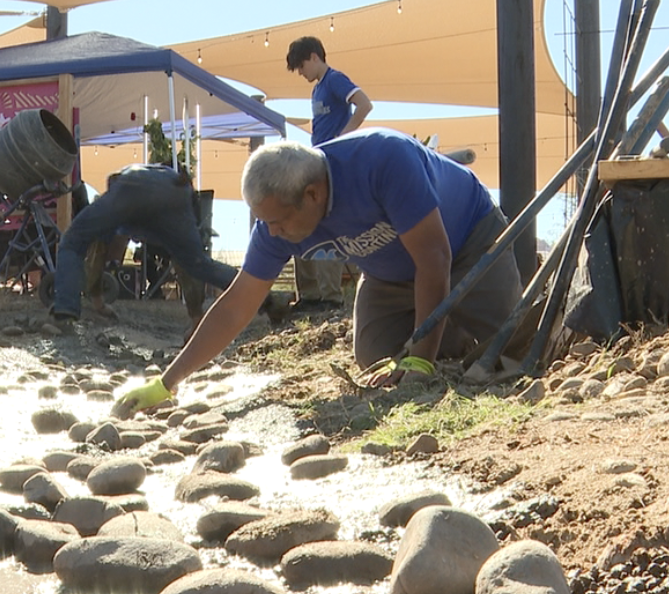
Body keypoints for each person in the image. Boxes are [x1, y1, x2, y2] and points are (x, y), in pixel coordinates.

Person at [114, 131, 523, 415]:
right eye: (264, 223)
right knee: (374, 359)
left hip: (469, 242)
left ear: (312, 194)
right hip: (390, 274)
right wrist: (166, 384)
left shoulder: (384, 159)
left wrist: (420, 363)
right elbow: (236, 307)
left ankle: (448, 333)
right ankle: (442, 332)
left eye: (277, 222)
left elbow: (435, 257)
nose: (272, 233)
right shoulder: (275, 221)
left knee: (511, 347)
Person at [50, 164, 236, 331]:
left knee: (73, 242)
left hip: (131, 188)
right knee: (196, 262)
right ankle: (255, 291)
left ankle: (66, 311)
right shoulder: (169, 179)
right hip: (176, 192)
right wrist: (196, 317)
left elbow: (98, 253)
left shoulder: (120, 187)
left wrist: (98, 301)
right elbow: (189, 264)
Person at [285, 35, 373, 313]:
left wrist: (342, 139)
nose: (301, 73)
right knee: (301, 222)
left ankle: (330, 296)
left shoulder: (334, 79)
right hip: (316, 162)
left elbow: (364, 104)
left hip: (334, 165)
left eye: (301, 66)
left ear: (314, 57)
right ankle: (310, 294)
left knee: (326, 226)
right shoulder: (316, 90)